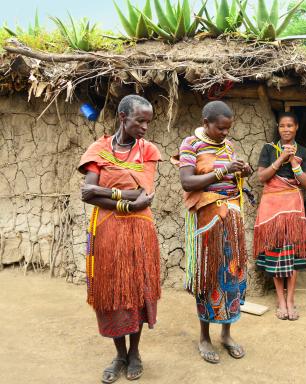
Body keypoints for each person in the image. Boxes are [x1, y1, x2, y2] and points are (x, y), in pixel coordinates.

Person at [78, 94, 161, 383]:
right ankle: (120, 355)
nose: (145, 127)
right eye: (140, 120)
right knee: (111, 292)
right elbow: (86, 193)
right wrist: (125, 198)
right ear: (123, 117)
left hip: (139, 230)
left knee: (136, 291)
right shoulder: (98, 149)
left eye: (148, 122)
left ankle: (135, 352)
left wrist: (107, 192)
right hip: (107, 232)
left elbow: (144, 195)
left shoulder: (148, 150)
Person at [177, 100, 252, 364]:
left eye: (228, 129)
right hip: (207, 220)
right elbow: (187, 181)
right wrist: (222, 172)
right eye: (220, 128)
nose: (225, 133)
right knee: (208, 279)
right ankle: (204, 337)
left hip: (231, 218)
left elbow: (233, 177)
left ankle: (227, 334)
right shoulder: (190, 144)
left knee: (232, 274)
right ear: (205, 122)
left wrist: (244, 171)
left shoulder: (228, 146)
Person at [253, 112, 306, 321]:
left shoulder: (304, 151)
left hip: (293, 207)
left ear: (296, 127)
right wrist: (281, 158)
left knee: (292, 253)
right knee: (276, 251)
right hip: (272, 207)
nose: (286, 129)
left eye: (290, 125)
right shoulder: (269, 149)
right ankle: (280, 299)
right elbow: (261, 177)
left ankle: (290, 300)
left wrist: (295, 163)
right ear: (278, 128)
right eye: (282, 126)